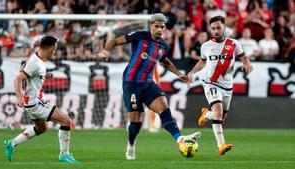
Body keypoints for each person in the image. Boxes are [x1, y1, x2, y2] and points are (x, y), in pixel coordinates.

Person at [96, 13, 201, 160]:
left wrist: (179, 74)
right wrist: (106, 50)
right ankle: (131, 145)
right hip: (131, 83)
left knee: (164, 107)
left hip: (148, 83)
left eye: (162, 27)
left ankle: (180, 139)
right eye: (156, 26)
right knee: (135, 123)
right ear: (151, 26)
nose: (159, 29)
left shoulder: (163, 45)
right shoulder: (139, 36)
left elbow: (164, 61)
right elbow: (114, 41)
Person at [3, 36, 79, 163]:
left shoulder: (38, 58)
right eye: (54, 49)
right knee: (66, 121)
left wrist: (45, 75)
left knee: (41, 129)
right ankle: (64, 155)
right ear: (50, 49)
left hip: (31, 102)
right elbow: (18, 79)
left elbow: (28, 72)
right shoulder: (35, 63)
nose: (55, 52)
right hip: (35, 102)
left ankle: (11, 143)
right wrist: (19, 98)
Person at [187, 16, 253, 156]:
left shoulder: (234, 44)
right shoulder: (205, 46)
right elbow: (202, 62)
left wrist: (246, 62)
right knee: (217, 109)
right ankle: (221, 145)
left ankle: (207, 114)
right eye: (213, 28)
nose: (215, 31)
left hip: (227, 86)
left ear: (224, 28)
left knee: (220, 117)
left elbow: (243, 56)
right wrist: (192, 72)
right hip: (211, 83)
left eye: (218, 28)